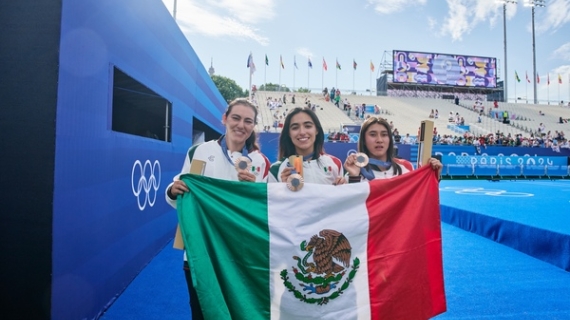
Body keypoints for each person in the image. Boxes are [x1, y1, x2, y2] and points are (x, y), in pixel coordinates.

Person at [165, 98, 270, 320]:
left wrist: (253, 190)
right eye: (236, 118)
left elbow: (266, 210)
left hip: (239, 252)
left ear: (253, 126)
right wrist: (173, 190)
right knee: (202, 308)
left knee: (239, 309)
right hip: (200, 248)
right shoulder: (199, 152)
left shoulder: (260, 162)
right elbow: (181, 191)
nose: (241, 125)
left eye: (248, 121)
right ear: (224, 119)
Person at [343, 117, 442, 182]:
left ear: (390, 139)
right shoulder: (354, 172)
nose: (379, 140)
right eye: (373, 135)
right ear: (364, 140)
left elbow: (420, 199)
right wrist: (354, 177)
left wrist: (434, 177)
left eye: (384, 135)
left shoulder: (406, 167)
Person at [268, 107, 345, 185]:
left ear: (317, 130)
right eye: (295, 128)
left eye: (308, 126)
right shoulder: (276, 170)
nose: (302, 132)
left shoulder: (335, 163)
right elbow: (273, 196)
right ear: (289, 133)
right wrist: (282, 188)